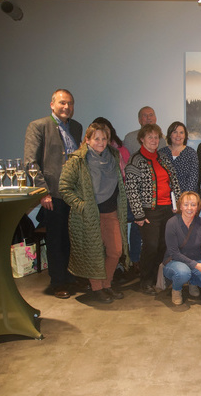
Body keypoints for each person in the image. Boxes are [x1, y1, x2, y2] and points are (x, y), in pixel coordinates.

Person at [59, 122, 128, 303]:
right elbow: (64, 188)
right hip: (90, 215)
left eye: (104, 138)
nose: (101, 142)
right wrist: (81, 206)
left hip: (111, 212)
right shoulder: (78, 160)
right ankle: (98, 288)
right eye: (96, 138)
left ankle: (107, 284)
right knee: (94, 253)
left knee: (115, 251)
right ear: (87, 140)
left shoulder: (113, 156)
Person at [24, 89, 83, 299]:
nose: (66, 107)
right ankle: (58, 282)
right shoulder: (39, 126)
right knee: (56, 239)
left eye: (70, 103)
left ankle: (69, 276)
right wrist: (43, 192)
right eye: (62, 103)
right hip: (53, 194)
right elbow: (30, 162)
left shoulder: (76, 127)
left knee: (71, 238)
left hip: (73, 193)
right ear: (52, 105)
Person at [125, 124, 181, 295]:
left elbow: (175, 183)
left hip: (167, 210)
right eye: (150, 137)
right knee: (150, 245)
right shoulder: (136, 160)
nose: (154, 141)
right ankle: (145, 280)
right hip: (148, 211)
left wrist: (177, 205)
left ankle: (157, 277)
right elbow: (132, 190)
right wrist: (138, 214)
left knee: (164, 245)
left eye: (156, 137)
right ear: (142, 139)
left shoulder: (163, 158)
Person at [162, 191, 201, 305]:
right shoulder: (172, 223)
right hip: (175, 262)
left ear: (198, 207)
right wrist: (197, 266)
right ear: (180, 206)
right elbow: (174, 253)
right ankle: (177, 289)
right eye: (186, 204)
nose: (189, 208)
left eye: (193, 205)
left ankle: (192, 281)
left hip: (196, 260)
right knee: (183, 272)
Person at [160, 121, 199, 193]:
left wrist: (185, 197)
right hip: (165, 196)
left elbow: (193, 178)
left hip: (185, 196)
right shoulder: (162, 153)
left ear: (185, 136)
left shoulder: (191, 153)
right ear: (170, 135)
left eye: (181, 133)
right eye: (175, 132)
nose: (178, 135)